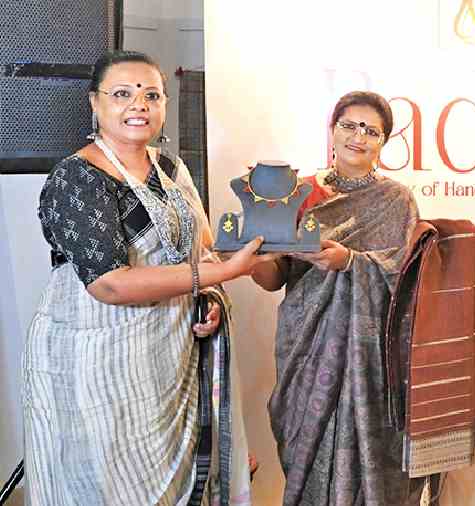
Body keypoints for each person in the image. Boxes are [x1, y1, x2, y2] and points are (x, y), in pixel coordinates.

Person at [22, 50, 273, 505]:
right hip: (96, 357)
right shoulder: (77, 176)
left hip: (170, 357)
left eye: (151, 95)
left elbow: (199, 250)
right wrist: (220, 273)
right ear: (94, 104)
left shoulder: (172, 170)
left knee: (177, 485)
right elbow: (109, 283)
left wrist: (210, 299)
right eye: (122, 94)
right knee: (104, 485)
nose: (138, 104)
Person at [251, 91, 423, 505]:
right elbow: (274, 278)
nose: (358, 137)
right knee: (302, 449)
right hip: (305, 345)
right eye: (350, 125)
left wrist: (350, 262)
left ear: (383, 142)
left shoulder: (397, 200)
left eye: (371, 130)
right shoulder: (298, 193)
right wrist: (248, 257)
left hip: (372, 361)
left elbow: (410, 276)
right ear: (332, 131)